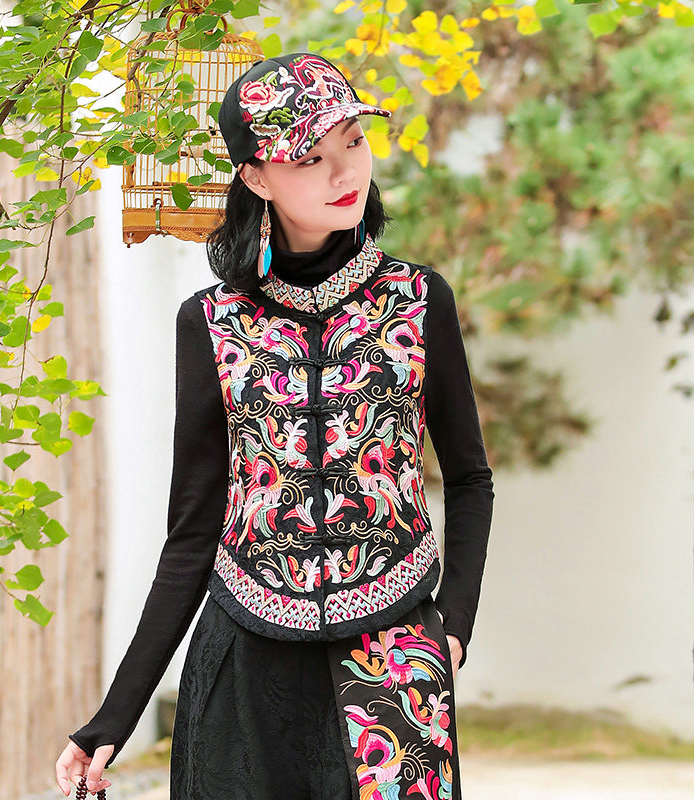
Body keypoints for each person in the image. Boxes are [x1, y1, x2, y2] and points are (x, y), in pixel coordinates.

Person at [55, 51, 494, 800]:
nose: (344, 171)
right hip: (243, 663)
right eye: (309, 158)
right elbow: (194, 531)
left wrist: (452, 623)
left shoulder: (421, 299)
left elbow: (470, 477)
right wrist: (113, 718)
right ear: (256, 178)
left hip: (396, 662)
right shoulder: (211, 322)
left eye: (353, 141)